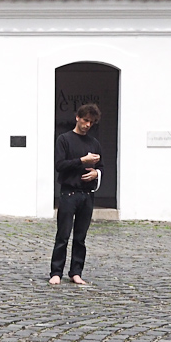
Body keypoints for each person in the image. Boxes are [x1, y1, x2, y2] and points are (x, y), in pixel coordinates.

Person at [49, 103, 103, 286]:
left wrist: (96, 173)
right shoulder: (64, 139)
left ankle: (76, 272)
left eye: (91, 122)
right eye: (85, 120)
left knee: (80, 237)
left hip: (87, 195)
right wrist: (82, 160)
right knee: (63, 235)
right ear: (77, 117)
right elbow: (60, 165)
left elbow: (101, 166)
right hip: (69, 193)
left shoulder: (94, 143)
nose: (88, 125)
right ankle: (56, 272)